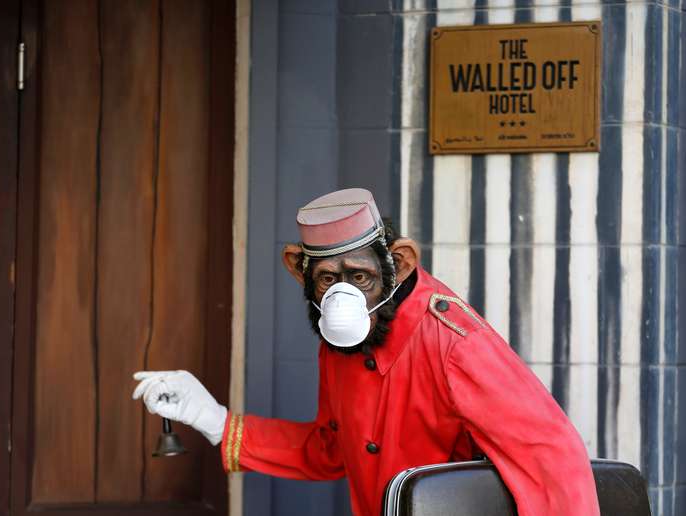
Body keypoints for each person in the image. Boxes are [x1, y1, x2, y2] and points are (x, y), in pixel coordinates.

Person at [132, 188, 600, 516]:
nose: (342, 298)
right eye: (327, 279)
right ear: (301, 271)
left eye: (359, 277)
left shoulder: (452, 340)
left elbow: (552, 456)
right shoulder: (339, 340)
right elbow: (331, 451)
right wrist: (216, 420)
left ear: (396, 265)